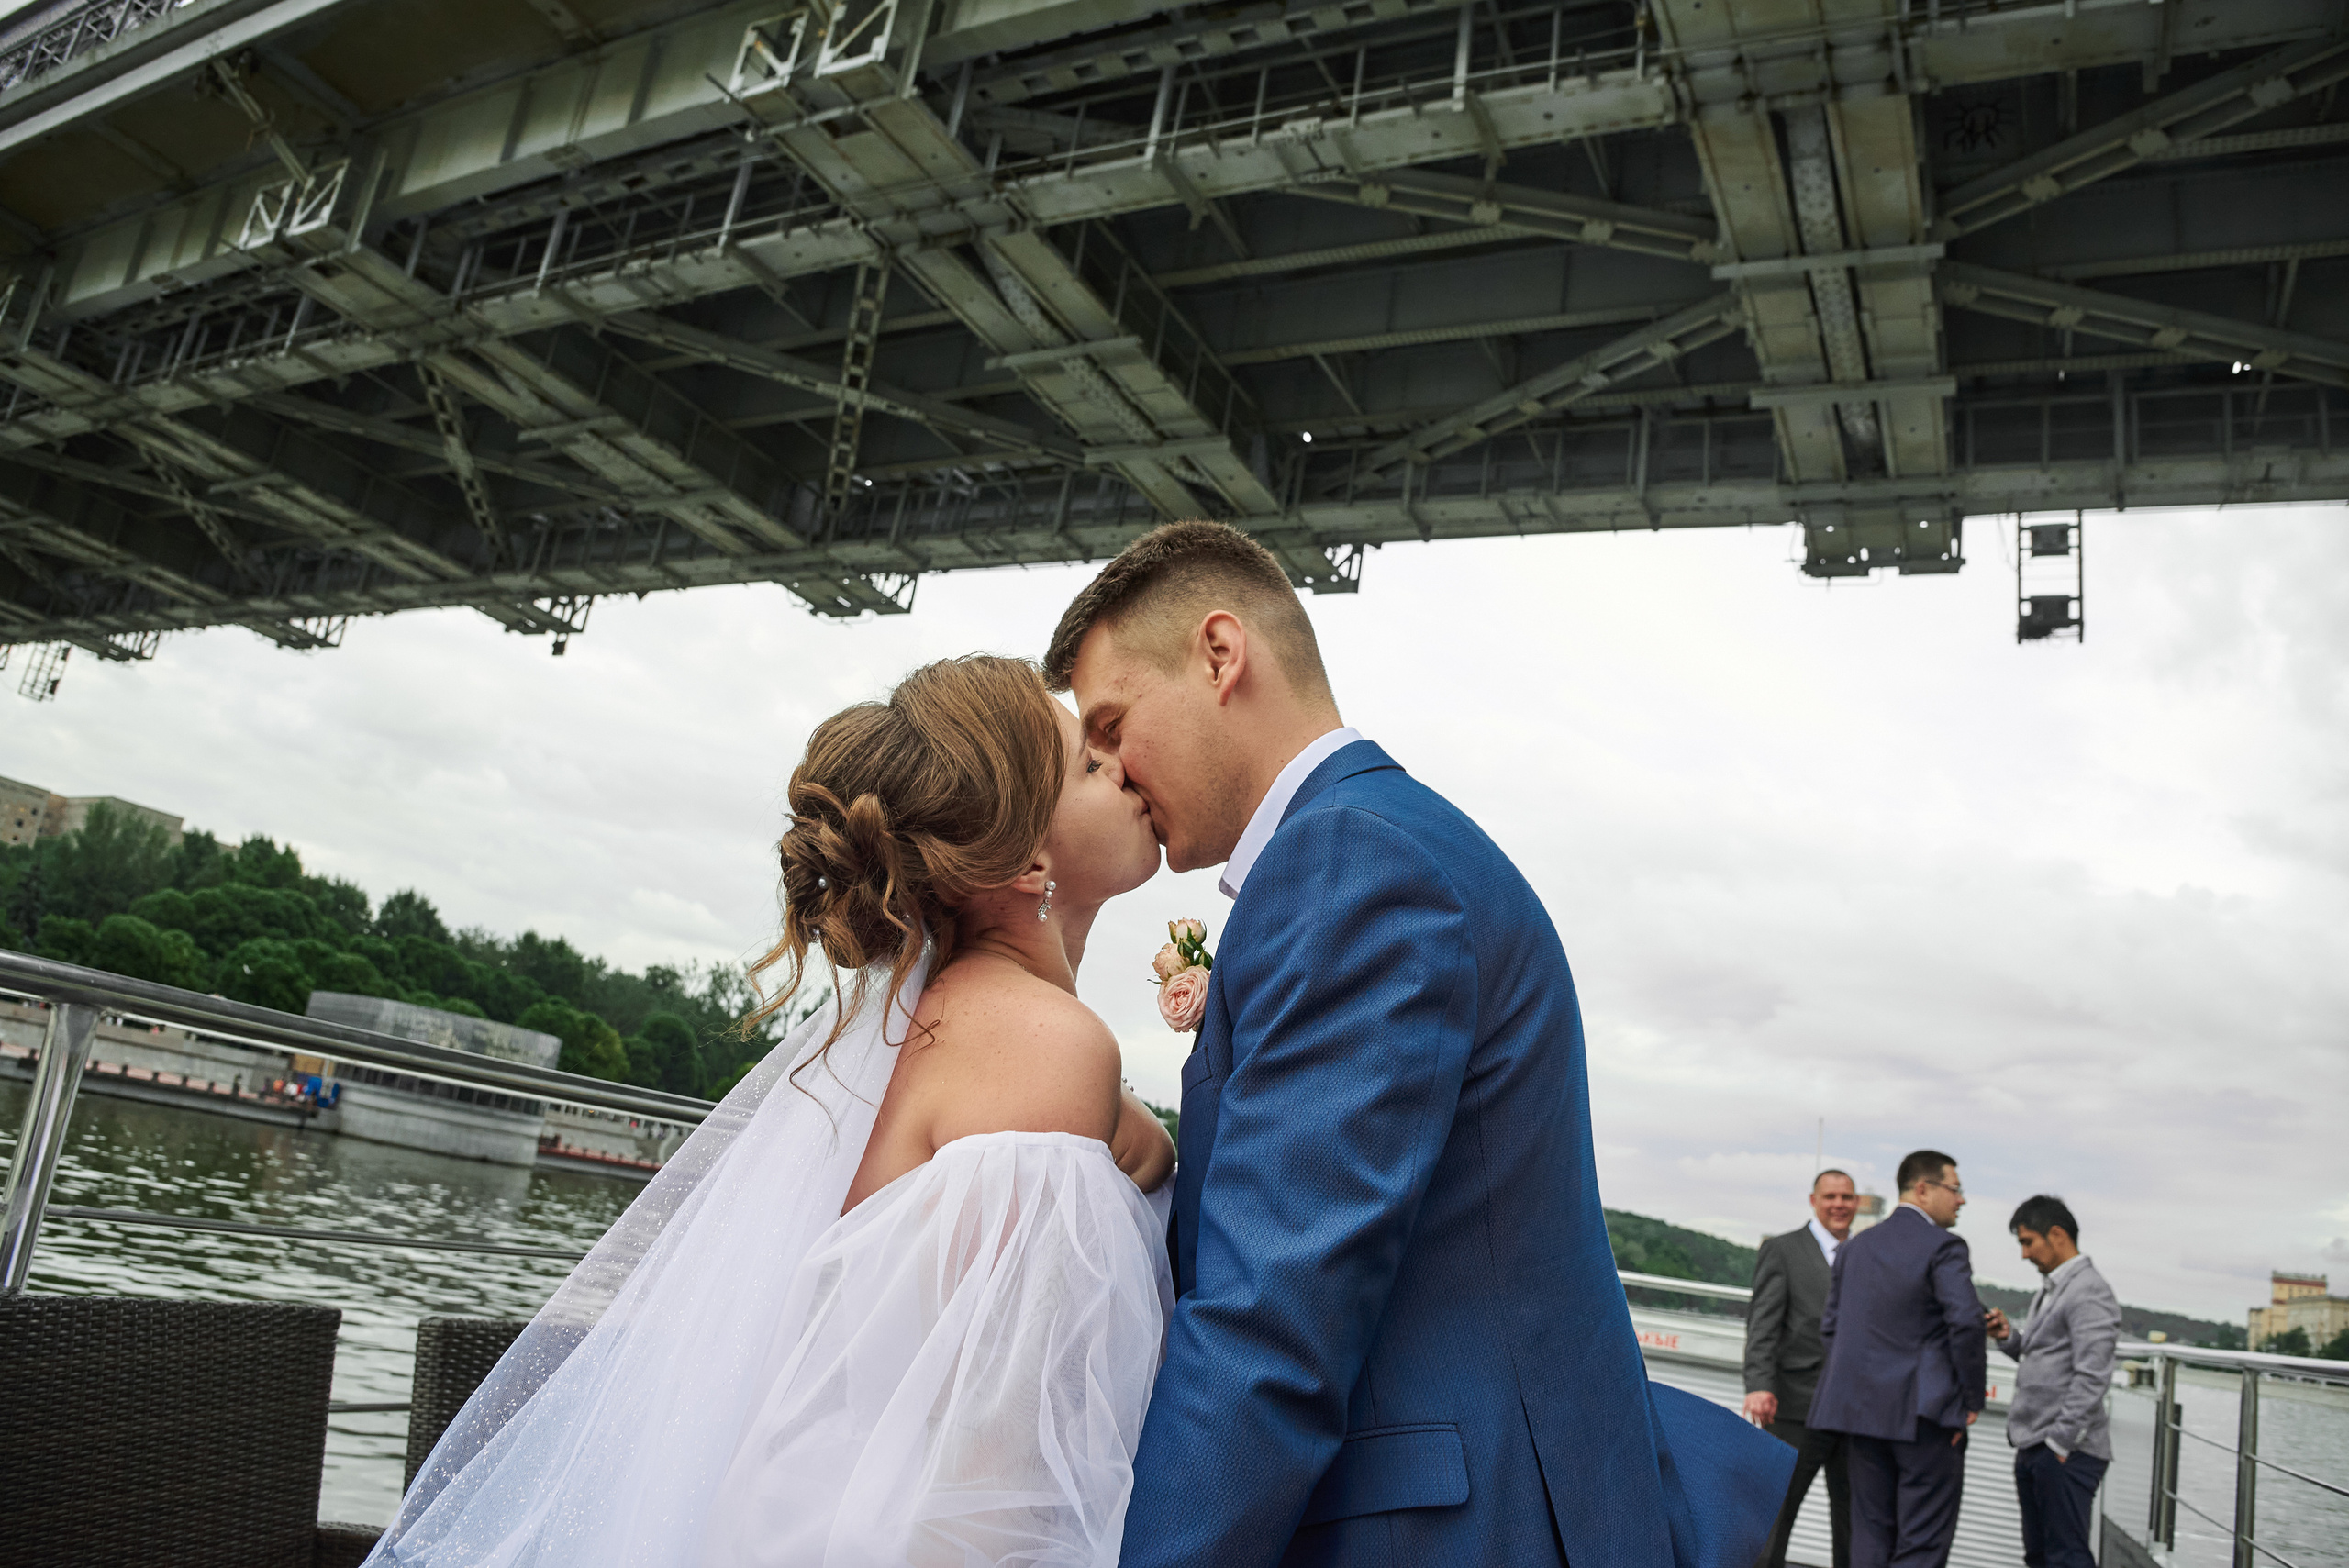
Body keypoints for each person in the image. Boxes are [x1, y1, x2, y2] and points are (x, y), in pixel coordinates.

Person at [1050, 520, 1792, 1568]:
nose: (1115, 768)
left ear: (1221, 654)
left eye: (1115, 722)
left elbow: (1273, 1322)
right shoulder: (1381, 841)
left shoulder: (1348, 862)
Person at [364, 655, 1180, 1565]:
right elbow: (999, 1458)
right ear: (1025, 853)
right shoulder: (1038, 1042)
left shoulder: (953, 1028)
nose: (1125, 766)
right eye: (1086, 764)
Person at [1809, 1150, 1991, 1568]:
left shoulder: (1856, 1247)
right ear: (1924, 1190)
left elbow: (1831, 1329)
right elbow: (1965, 1321)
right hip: (1924, 1418)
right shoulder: (1945, 1248)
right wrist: (1970, 1399)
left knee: (1870, 1534)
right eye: (1956, 1189)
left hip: (1861, 1415)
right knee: (1921, 1541)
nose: (1961, 1200)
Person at [1982, 1196, 2121, 1568]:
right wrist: (2009, 1337)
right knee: (2041, 1556)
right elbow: (2043, 1355)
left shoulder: (2089, 1290)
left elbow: (2093, 1375)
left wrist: (2060, 1442)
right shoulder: (2052, 1288)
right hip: (2038, 1445)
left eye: (2028, 1242)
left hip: (2064, 1451)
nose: (2025, 1254)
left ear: (2056, 1234)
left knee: (2066, 1557)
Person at [1745, 1171, 1861, 1568]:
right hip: (1794, 1407)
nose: (1839, 1204)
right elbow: (1763, 1324)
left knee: (1854, 1524)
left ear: (1858, 1203)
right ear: (1813, 1200)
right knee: (1776, 1518)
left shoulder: (1864, 1255)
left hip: (1853, 1414)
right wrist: (1759, 1384)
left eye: (1847, 1197)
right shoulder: (1784, 1249)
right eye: (1830, 1196)